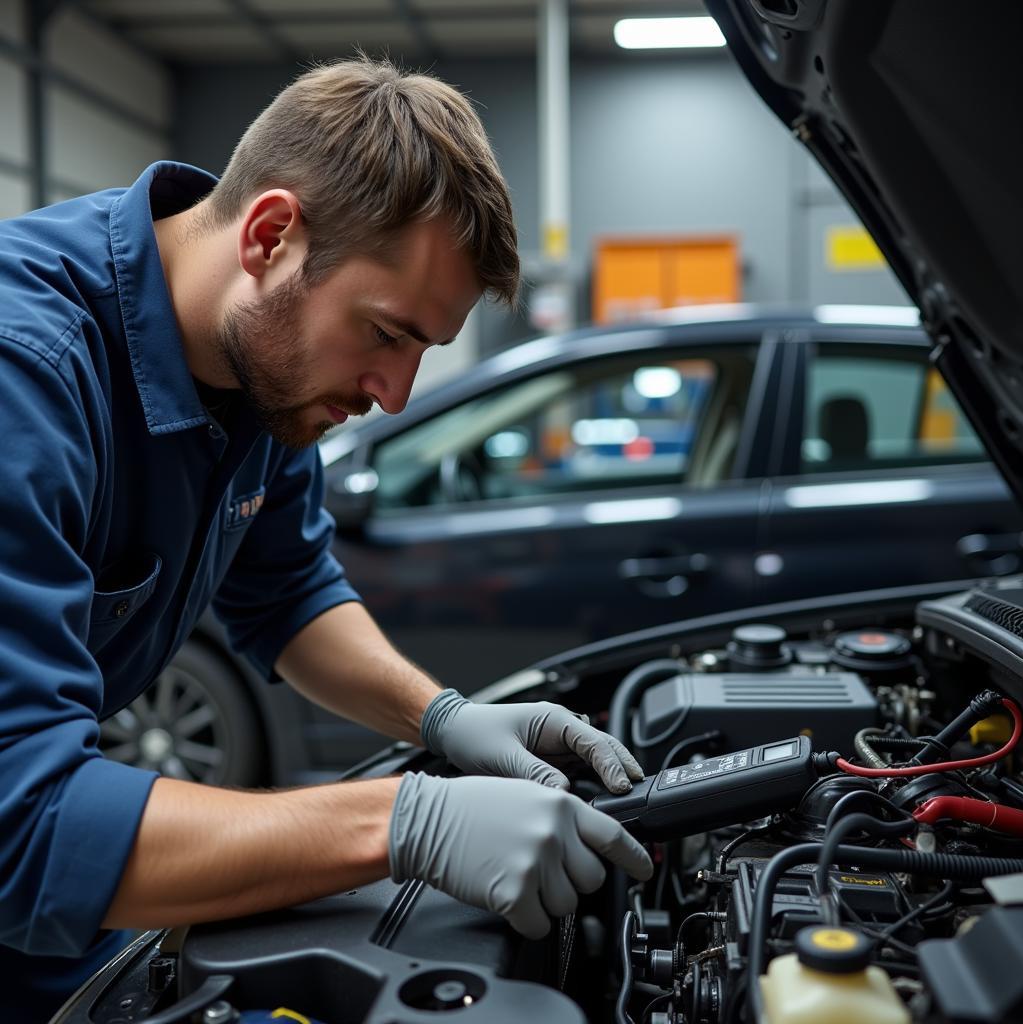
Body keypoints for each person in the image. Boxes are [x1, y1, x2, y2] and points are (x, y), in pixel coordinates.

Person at [0, 56, 652, 1021]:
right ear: (270, 235)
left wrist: (441, 719)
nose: (395, 394)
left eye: (423, 351)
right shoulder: (28, 379)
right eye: (387, 335)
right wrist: (406, 820)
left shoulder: (261, 368)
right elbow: (25, 826)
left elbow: (291, 592)